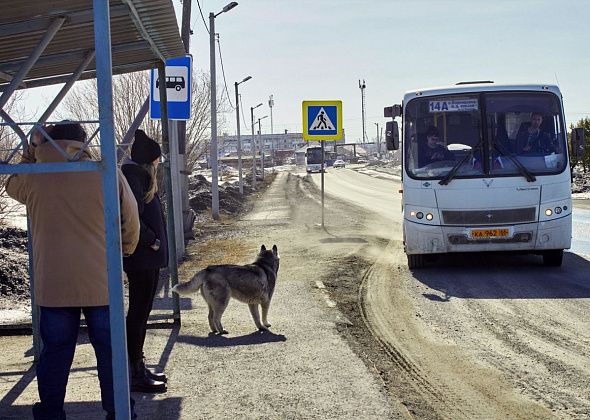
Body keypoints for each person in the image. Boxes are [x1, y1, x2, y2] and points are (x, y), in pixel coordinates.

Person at [6, 122, 140, 420]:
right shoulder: (103, 172)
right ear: (83, 142)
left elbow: (10, 183)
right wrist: (126, 251)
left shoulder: (34, 178)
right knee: (110, 351)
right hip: (101, 279)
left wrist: (31, 151)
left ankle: (51, 412)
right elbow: (130, 219)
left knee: (55, 352)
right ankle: (118, 410)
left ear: (45, 143)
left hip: (53, 283)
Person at [121, 129, 169, 393]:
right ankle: (135, 372)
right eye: (157, 160)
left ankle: (138, 367)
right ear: (149, 161)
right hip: (141, 258)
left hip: (146, 259)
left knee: (142, 313)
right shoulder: (134, 177)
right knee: (138, 314)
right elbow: (132, 218)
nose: (158, 164)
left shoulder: (137, 176)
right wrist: (153, 241)